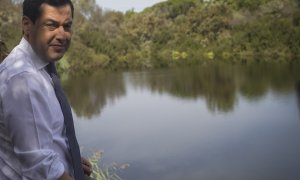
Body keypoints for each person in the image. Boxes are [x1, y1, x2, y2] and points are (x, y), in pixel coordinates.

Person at [0, 0, 92, 179]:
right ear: (27, 25)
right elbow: (41, 167)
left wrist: (69, 157)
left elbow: (37, 141)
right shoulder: (23, 79)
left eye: (67, 26)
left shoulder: (42, 69)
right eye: (51, 25)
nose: (62, 35)